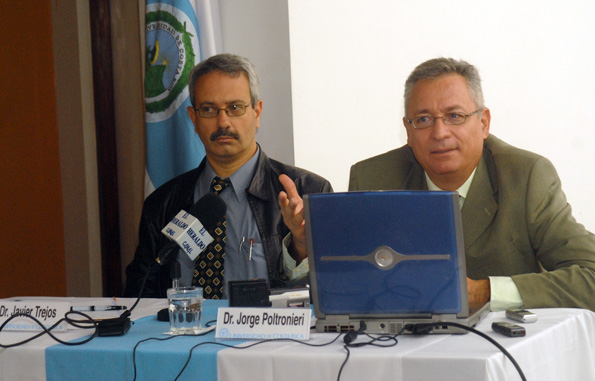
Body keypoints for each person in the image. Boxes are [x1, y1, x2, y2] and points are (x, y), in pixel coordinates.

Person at [349, 57, 595, 311]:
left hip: (503, 346)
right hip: (395, 346)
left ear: (483, 123)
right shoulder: (371, 179)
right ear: (408, 131)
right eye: (423, 119)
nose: (440, 133)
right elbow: (344, 281)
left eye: (454, 116)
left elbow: (592, 277)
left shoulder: (525, 177)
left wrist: (487, 291)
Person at [124, 53, 332, 299]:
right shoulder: (162, 204)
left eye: (234, 108)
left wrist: (300, 244)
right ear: (194, 118)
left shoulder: (310, 193)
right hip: (185, 336)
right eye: (209, 109)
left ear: (257, 113)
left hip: (272, 337)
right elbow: (139, 296)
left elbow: (335, 292)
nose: (223, 122)